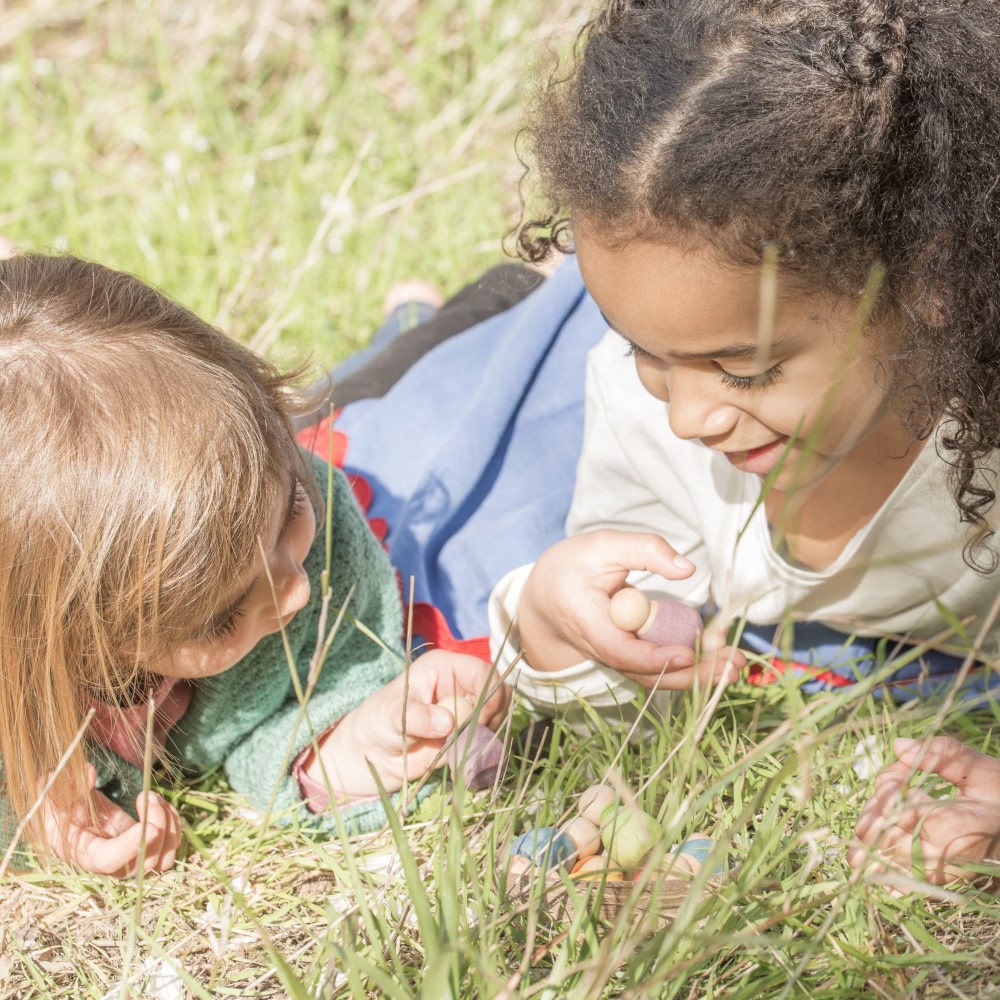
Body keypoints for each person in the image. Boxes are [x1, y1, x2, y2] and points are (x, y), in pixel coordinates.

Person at [475, 0, 1000, 880]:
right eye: (646, 350)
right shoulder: (646, 406)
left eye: (744, 368)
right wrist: (556, 630)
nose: (688, 418)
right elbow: (629, 708)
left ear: (930, 283)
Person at [0, 253, 507, 877]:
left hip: (358, 416)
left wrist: (353, 733)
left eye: (293, 505)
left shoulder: (280, 504)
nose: (293, 592)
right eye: (220, 619)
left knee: (408, 372)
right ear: (67, 638)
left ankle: (426, 314)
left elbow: (325, 684)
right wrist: (42, 823)